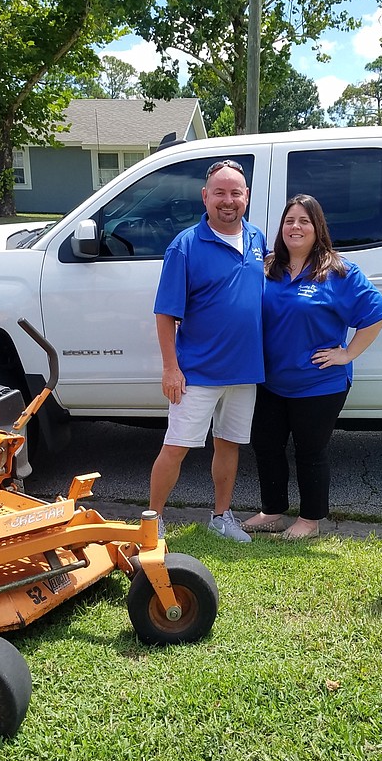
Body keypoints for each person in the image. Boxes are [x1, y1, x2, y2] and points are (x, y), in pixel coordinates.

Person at [242, 194, 382, 540]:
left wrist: (347, 353)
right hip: (270, 381)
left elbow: (376, 315)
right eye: (289, 221)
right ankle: (272, 512)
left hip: (319, 384)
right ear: (281, 228)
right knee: (266, 447)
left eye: (304, 221)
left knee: (310, 452)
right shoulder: (267, 269)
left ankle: (310, 521)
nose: (295, 227)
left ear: (317, 227)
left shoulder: (339, 271)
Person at [148, 160, 267, 542]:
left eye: (236, 192)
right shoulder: (184, 246)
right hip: (196, 371)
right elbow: (166, 314)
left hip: (244, 372)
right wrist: (171, 369)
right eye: (220, 192)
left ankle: (221, 516)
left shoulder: (257, 239)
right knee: (176, 447)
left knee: (228, 445)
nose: (228, 200)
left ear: (246, 196)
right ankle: (153, 519)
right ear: (205, 196)